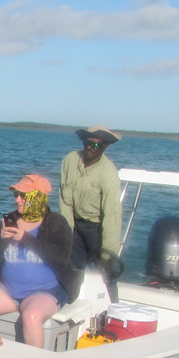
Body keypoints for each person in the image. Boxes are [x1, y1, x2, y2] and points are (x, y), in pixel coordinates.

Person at [0, 174, 81, 348]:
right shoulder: (10, 219)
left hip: (46, 291)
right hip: (9, 290)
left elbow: (60, 256)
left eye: (23, 196)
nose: (18, 200)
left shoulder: (57, 223)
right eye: (16, 195)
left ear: (39, 198)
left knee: (31, 317)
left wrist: (25, 238)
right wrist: (1, 239)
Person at [58, 125, 124, 299]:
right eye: (87, 142)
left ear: (105, 147)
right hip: (74, 223)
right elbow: (64, 200)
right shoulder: (69, 160)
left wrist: (108, 253)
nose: (90, 147)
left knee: (105, 273)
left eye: (96, 145)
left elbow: (112, 215)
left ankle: (112, 310)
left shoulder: (108, 173)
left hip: (97, 228)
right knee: (70, 269)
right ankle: (69, 304)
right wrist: (67, 233)